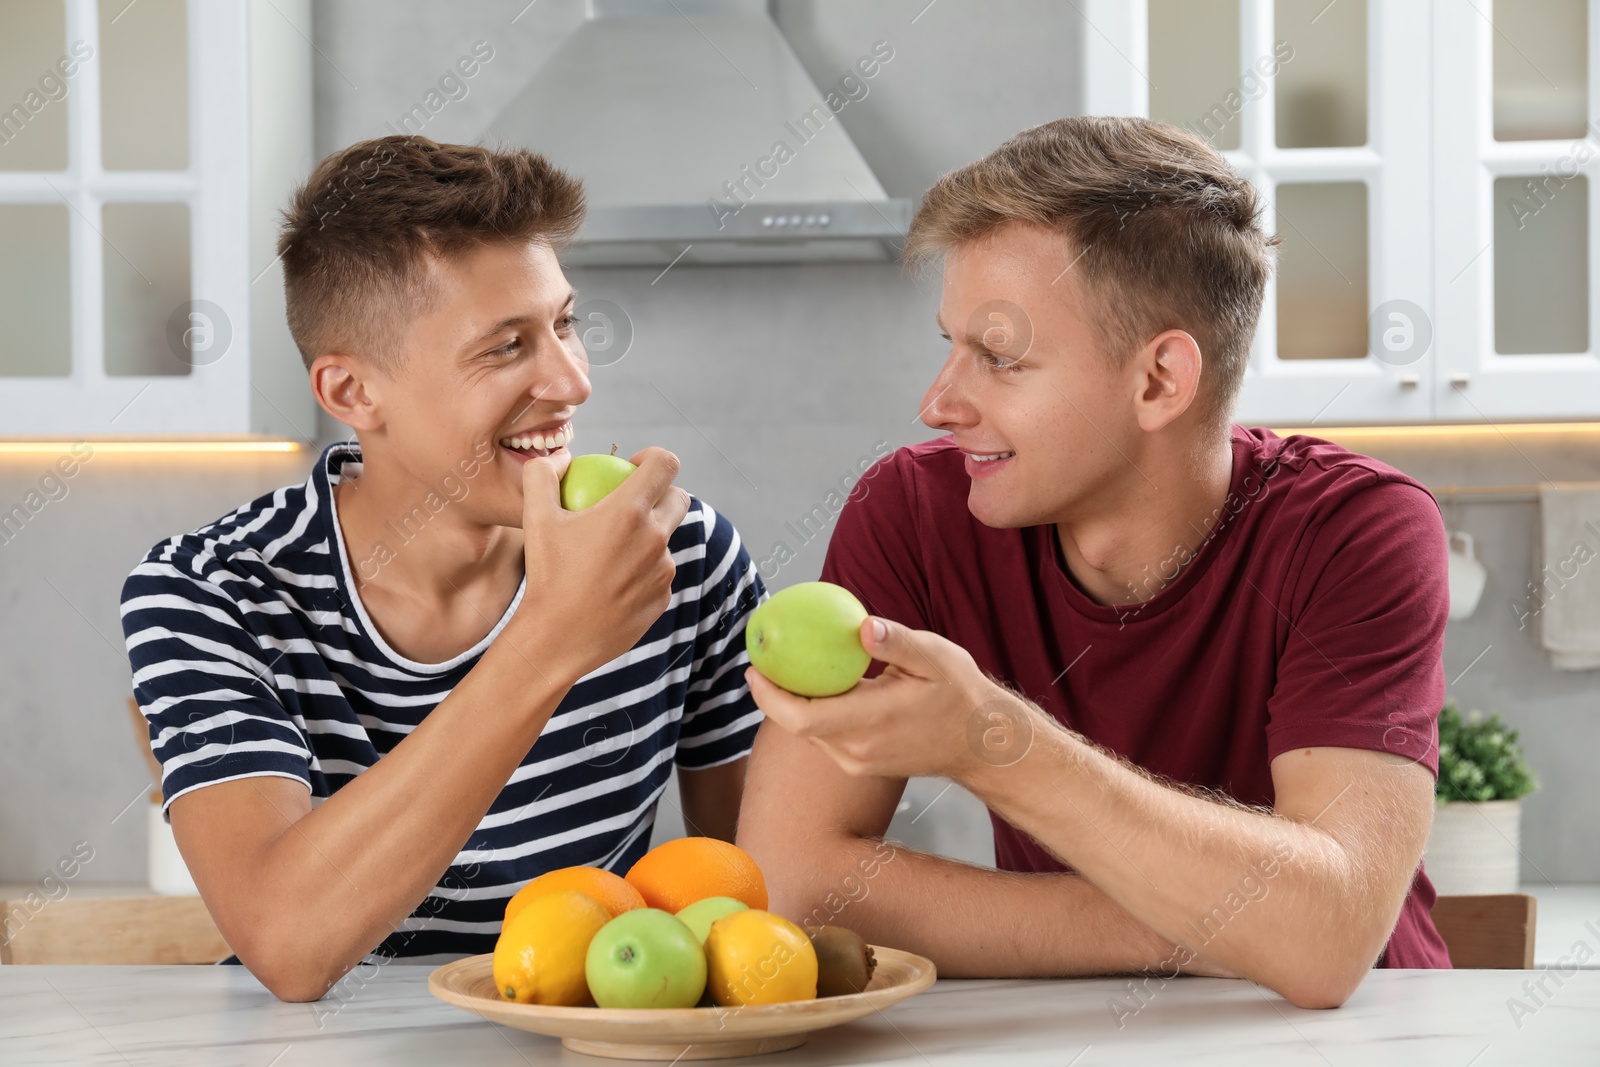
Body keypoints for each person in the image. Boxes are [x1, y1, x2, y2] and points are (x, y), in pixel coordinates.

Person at [737, 116, 1451, 1011]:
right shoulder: (915, 515)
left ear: (1159, 380)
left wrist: (992, 745)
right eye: (948, 344)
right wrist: (1223, 928)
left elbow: (1325, 941)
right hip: (1079, 1029)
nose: (937, 402)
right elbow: (795, 886)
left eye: (999, 358)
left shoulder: (1359, 531)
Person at [119, 137, 763, 1002]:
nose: (572, 382)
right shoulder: (205, 592)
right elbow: (288, 942)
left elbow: (754, 911)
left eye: (564, 324)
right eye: (505, 348)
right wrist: (554, 639)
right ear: (352, 393)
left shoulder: (673, 557)